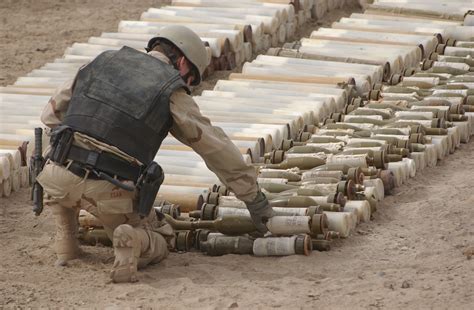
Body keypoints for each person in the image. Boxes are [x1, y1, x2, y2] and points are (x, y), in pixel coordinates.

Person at [36, 25, 274, 283]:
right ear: (182, 62)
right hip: (109, 189)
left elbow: (50, 117)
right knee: (163, 236)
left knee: (61, 172)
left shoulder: (101, 61)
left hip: (56, 174)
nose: (188, 85)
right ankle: (134, 239)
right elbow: (215, 147)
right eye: (191, 79)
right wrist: (254, 199)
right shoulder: (170, 90)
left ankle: (66, 244)